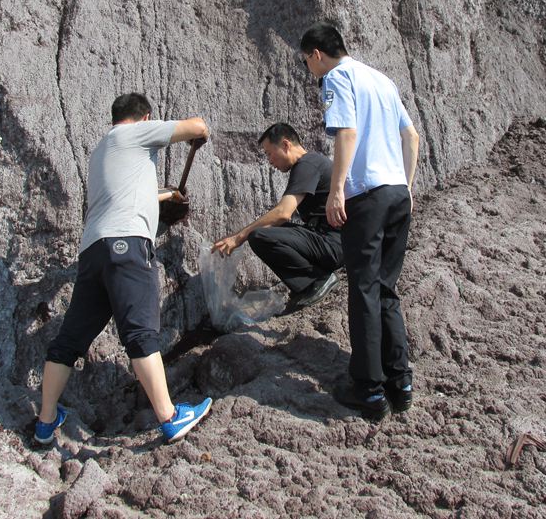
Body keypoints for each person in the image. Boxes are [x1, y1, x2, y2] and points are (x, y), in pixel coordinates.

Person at [35, 92, 212, 444]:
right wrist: (197, 135)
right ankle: (170, 416)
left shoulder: (103, 149)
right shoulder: (135, 133)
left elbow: (129, 192)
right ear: (145, 118)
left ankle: (45, 421)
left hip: (94, 252)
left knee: (69, 340)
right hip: (128, 245)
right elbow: (198, 126)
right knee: (140, 332)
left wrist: (167, 198)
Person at [299, 22, 420, 420]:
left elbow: (346, 133)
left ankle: (368, 390)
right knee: (387, 288)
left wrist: (336, 191)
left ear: (317, 53)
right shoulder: (382, 79)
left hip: (366, 196)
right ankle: (399, 383)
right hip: (396, 193)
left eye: (307, 62)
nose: (310, 69)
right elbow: (412, 137)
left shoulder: (337, 77)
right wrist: (406, 186)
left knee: (364, 290)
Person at [210, 123, 343, 309]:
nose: (270, 161)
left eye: (269, 153)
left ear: (286, 145)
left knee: (259, 236)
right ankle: (309, 283)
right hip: (326, 239)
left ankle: (317, 281)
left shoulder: (307, 164)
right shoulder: (310, 163)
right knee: (270, 229)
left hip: (333, 243)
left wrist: (238, 238)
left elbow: (283, 213)